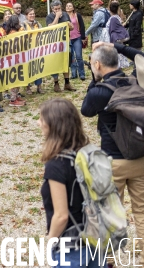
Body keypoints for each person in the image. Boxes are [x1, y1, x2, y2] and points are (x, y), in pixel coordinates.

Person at [81, 43, 144, 267]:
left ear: (97, 64)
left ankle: (108, 260)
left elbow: (85, 110)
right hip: (143, 158)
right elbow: (141, 56)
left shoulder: (100, 91)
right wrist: (115, 46)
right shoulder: (137, 80)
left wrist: (94, 79)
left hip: (113, 162)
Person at [39, 98, 106, 268]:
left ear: (53, 125)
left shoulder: (56, 165)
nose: (38, 123)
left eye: (41, 119)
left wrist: (49, 242)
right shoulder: (89, 153)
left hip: (71, 246)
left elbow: (61, 216)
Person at [46, 0, 75, 92]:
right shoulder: (49, 16)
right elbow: (50, 27)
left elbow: (72, 27)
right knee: (55, 63)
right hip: (55, 43)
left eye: (59, 8)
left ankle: (67, 83)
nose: (58, 10)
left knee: (66, 62)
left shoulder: (66, 14)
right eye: (56, 9)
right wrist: (57, 17)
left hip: (65, 42)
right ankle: (56, 83)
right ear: (52, 9)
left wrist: (70, 25)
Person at [4, 16, 26, 107]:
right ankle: (13, 100)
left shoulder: (7, 31)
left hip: (12, 57)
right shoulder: (17, 32)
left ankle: (16, 96)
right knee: (15, 78)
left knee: (16, 77)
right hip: (15, 58)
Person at [22, 8, 44, 94]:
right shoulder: (23, 24)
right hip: (27, 49)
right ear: (26, 15)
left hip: (37, 49)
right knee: (28, 68)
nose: (32, 15)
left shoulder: (38, 24)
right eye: (30, 14)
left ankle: (39, 86)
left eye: (33, 14)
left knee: (38, 67)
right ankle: (28, 87)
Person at [65, 2, 86, 80]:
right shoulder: (63, 16)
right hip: (68, 39)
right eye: (67, 6)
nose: (68, 7)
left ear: (73, 8)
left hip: (77, 38)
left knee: (78, 56)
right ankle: (74, 74)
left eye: (70, 6)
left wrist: (83, 37)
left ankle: (82, 74)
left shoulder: (77, 15)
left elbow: (82, 26)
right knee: (71, 57)